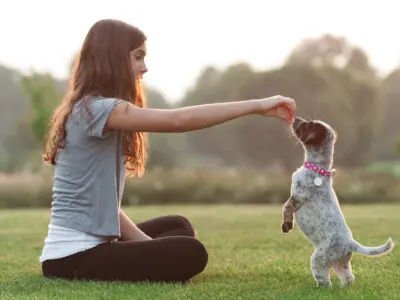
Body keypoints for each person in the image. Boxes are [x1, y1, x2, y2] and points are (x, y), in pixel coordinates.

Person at [39, 18, 297, 283]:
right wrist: (257, 105)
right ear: (114, 58)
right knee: (191, 252)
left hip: (88, 248)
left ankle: (152, 258)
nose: (145, 67)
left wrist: (147, 247)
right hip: (73, 257)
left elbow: (107, 209)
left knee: (178, 226)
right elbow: (177, 121)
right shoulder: (96, 109)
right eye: (138, 57)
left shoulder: (91, 108)